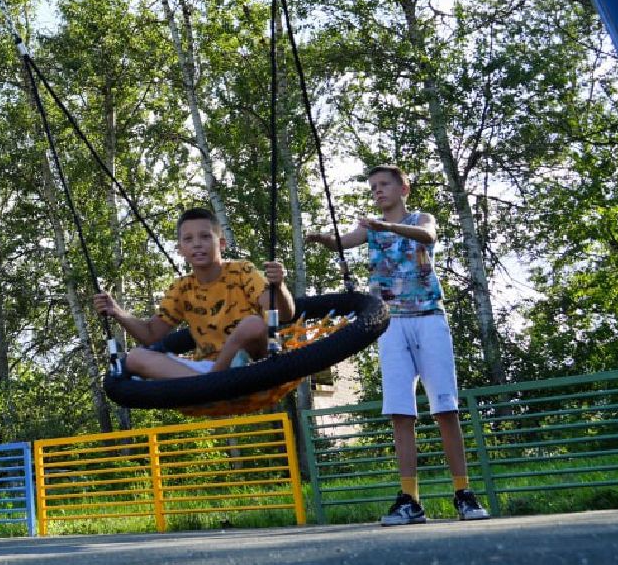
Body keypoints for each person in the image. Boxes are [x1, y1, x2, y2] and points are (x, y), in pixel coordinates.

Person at [304, 164, 490, 525]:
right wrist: (321, 238)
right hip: (389, 323)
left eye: (384, 184)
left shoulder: (421, 218)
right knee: (400, 411)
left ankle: (463, 492)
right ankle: (410, 499)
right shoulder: (369, 227)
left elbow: (428, 236)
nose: (377, 191)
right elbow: (342, 241)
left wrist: (386, 227)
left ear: (403, 187)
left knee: (445, 407)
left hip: (428, 317)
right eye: (373, 187)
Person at [93, 206, 293, 379]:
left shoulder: (243, 271)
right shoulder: (181, 288)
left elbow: (284, 315)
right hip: (207, 367)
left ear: (221, 243)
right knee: (135, 357)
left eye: (205, 236)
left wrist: (279, 286)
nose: (197, 243)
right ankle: (207, 379)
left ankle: (213, 380)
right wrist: (117, 312)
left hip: (255, 361)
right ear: (180, 249)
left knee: (253, 324)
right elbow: (151, 335)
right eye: (188, 239)